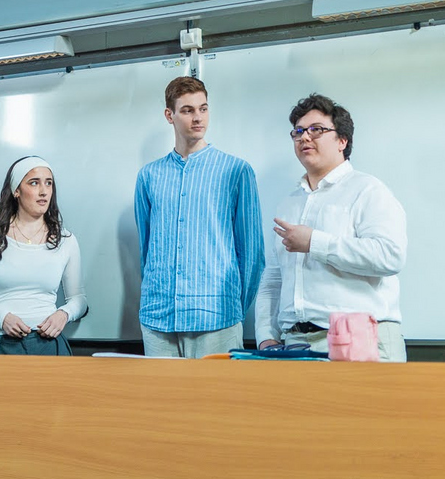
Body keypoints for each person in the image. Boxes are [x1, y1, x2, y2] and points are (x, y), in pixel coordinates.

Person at [255, 93, 408, 361]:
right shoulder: (288, 204)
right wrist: (266, 335)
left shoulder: (368, 190)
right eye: (299, 131)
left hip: (361, 341)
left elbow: (390, 256)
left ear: (342, 141)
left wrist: (314, 242)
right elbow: (274, 277)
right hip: (295, 344)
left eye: (317, 130)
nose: (305, 137)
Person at [134, 76, 264, 357]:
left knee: (216, 401)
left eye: (203, 109)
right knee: (161, 402)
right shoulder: (149, 176)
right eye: (187, 110)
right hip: (159, 319)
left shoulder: (236, 171)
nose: (198, 118)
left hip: (217, 320)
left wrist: (232, 307)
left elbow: (252, 254)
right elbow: (146, 249)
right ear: (169, 115)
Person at [0, 156, 88, 355]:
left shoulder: (65, 239)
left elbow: (79, 299)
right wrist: (1, 318)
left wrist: (63, 314)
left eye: (48, 183)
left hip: (48, 344)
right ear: (16, 190)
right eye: (34, 183)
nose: (43, 191)